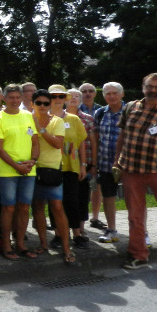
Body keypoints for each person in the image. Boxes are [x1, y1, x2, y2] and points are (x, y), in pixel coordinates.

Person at [115, 73, 157, 271]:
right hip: (131, 170)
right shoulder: (130, 107)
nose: (153, 90)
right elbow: (122, 135)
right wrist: (117, 162)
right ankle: (139, 256)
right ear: (143, 87)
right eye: (150, 86)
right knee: (135, 217)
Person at [29, 86, 77, 265]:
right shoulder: (26, 119)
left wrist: (41, 129)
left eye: (46, 103)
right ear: (32, 104)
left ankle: (66, 247)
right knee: (38, 207)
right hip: (33, 168)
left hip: (52, 169)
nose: (42, 106)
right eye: (38, 103)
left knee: (57, 207)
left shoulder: (56, 121)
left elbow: (58, 144)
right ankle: (43, 244)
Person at [0, 84, 39, 261]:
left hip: (28, 169)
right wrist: (17, 166)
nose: (15, 101)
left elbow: (35, 142)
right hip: (8, 172)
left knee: (24, 207)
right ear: (4, 98)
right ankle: (6, 245)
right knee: (9, 208)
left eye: (18, 97)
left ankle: (21, 243)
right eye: (11, 97)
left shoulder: (28, 115)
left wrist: (32, 161)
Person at [94, 82, 126, 244]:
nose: (111, 96)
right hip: (106, 164)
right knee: (108, 198)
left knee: (135, 199)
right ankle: (111, 229)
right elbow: (96, 140)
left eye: (114, 93)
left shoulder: (132, 112)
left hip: (128, 165)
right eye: (108, 93)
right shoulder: (100, 113)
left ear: (122, 94)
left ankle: (142, 232)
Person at [64, 88, 92, 249]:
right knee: (58, 202)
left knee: (75, 200)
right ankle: (60, 234)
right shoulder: (49, 117)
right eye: (70, 96)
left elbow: (85, 142)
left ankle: (78, 232)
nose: (73, 99)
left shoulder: (80, 119)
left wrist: (86, 164)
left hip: (76, 165)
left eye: (76, 96)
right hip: (55, 165)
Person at [79, 82, 106, 230]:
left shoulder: (101, 111)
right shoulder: (74, 110)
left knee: (96, 187)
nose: (88, 93)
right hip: (81, 157)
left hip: (97, 154)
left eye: (90, 91)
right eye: (84, 91)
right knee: (80, 189)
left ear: (95, 93)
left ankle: (95, 217)